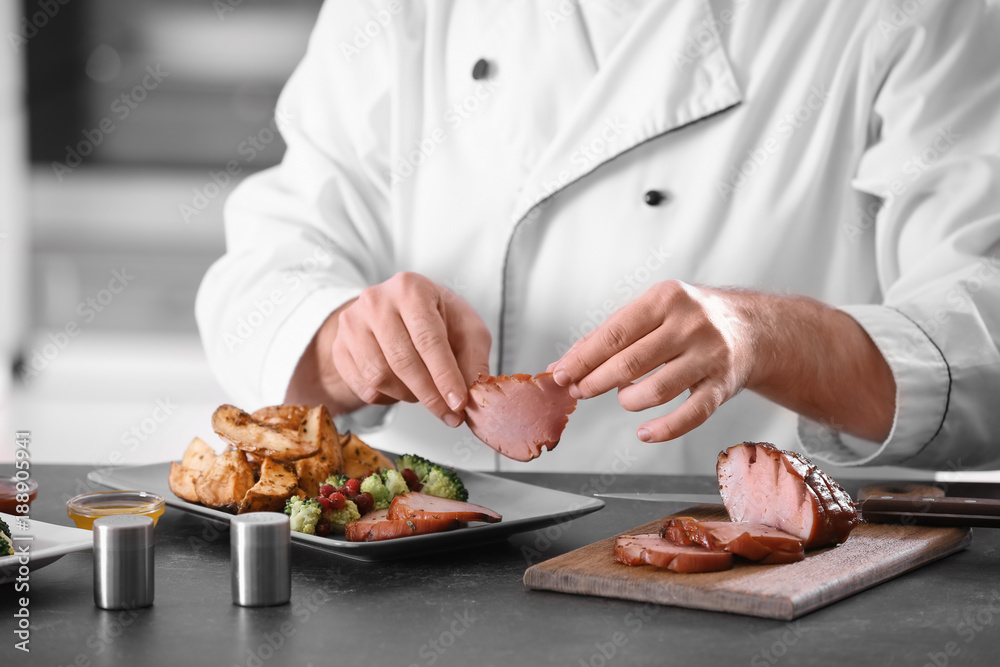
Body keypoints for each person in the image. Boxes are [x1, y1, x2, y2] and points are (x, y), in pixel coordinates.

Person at [196, 0, 1000, 475]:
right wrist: (344, 340)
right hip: (413, 561)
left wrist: (775, 337)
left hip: (752, 584)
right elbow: (270, 256)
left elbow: (984, 324)